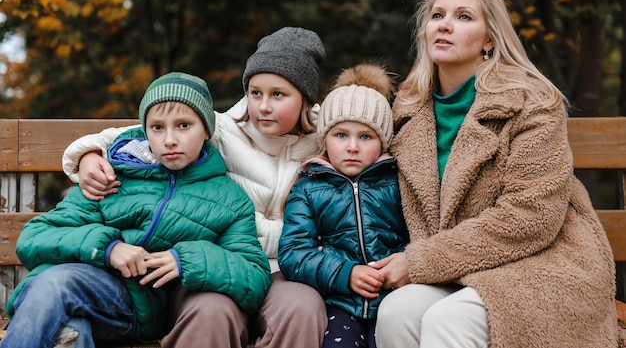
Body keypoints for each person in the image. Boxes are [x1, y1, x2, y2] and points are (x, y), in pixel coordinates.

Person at [369, 0, 618, 348]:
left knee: (449, 320)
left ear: (489, 39)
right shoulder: (406, 112)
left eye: (464, 17)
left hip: (542, 263)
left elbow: (531, 216)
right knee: (396, 312)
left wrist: (420, 261)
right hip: (457, 268)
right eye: (437, 16)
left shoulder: (530, 102)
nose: (445, 25)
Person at [60, 27, 328, 348]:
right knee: (210, 311)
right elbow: (141, 132)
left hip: (287, 270)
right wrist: (89, 154)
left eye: (278, 95)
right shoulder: (223, 129)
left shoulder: (328, 138)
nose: (264, 106)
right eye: (255, 93)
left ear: (306, 99)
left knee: (304, 307)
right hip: (219, 265)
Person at [0, 72, 271, 348]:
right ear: (145, 130)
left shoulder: (228, 198)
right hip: (84, 289)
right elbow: (33, 237)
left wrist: (186, 260)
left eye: (184, 125)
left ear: (206, 130)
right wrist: (108, 249)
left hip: (141, 307)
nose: (169, 139)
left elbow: (254, 276)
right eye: (157, 128)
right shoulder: (112, 178)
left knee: (58, 290)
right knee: (70, 326)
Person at [278, 63, 409, 348]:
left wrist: (394, 267)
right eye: (341, 135)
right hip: (338, 301)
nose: (352, 147)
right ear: (325, 139)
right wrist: (345, 273)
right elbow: (293, 253)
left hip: (392, 298)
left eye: (365, 136)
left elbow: (419, 234)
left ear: (383, 142)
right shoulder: (308, 188)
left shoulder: (397, 183)